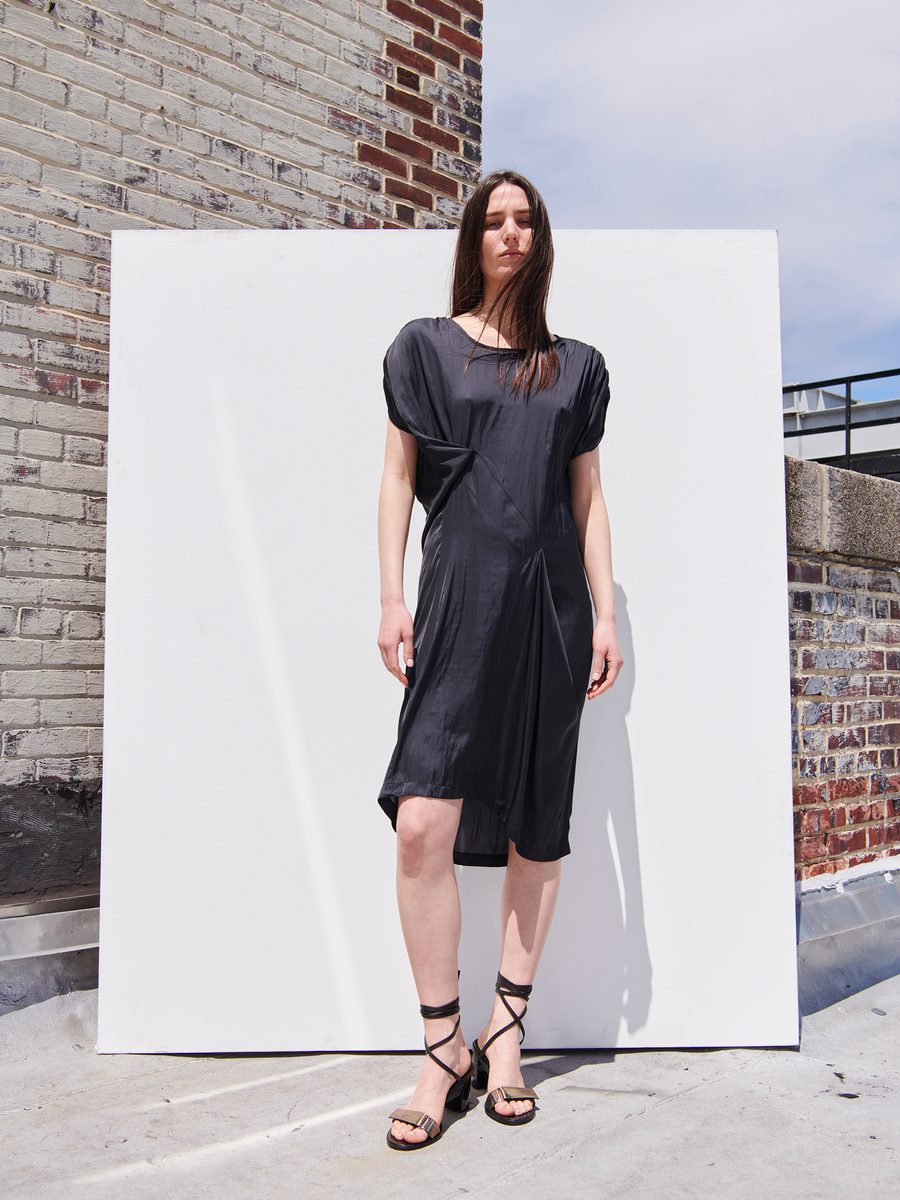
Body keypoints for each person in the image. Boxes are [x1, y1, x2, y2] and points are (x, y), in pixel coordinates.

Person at [376, 170, 623, 1150]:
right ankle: (443, 1048)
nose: (510, 233)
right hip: (456, 605)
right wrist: (391, 595)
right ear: (473, 238)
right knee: (420, 824)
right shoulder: (424, 349)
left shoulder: (577, 366)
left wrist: (604, 612)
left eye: (526, 220)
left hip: (551, 615)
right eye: (494, 220)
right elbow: (398, 478)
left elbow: (588, 500)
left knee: (536, 824)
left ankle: (505, 1036)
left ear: (542, 238)